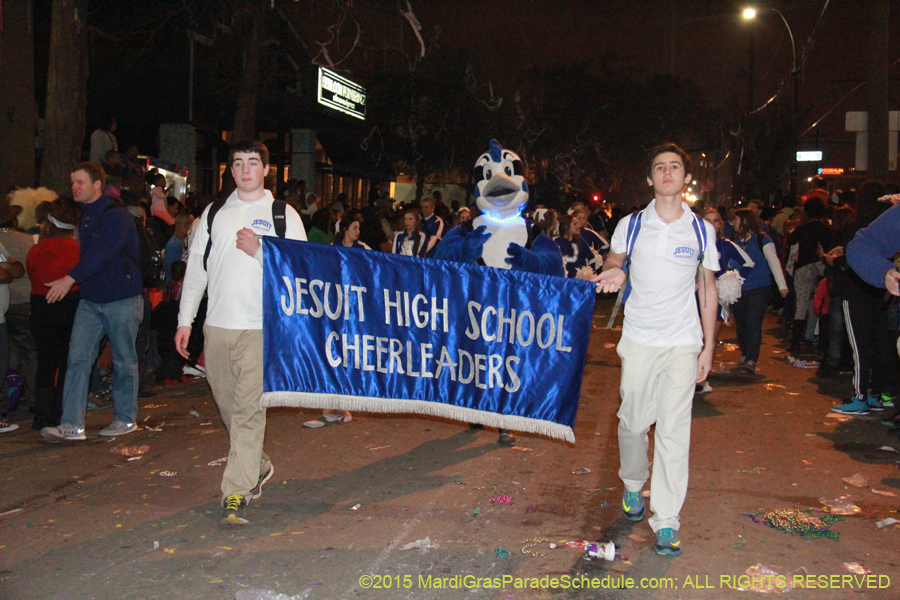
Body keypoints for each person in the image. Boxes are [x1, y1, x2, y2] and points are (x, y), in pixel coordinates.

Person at [592, 143, 718, 557]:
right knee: (632, 423)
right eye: (660, 167)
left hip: (682, 341)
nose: (667, 173)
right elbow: (615, 260)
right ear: (650, 178)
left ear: (686, 178)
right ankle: (633, 483)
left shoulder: (701, 230)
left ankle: (667, 520)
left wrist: (708, 347)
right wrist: (613, 271)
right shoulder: (631, 225)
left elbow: (707, 287)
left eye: (674, 167)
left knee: (673, 431)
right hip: (640, 339)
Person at [175, 140, 306, 524]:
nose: (245, 170)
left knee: (249, 412)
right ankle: (256, 463)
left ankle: (237, 491)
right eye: (238, 163)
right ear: (230, 171)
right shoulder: (214, 213)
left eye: (253, 162)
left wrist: (261, 251)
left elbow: (302, 272)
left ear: (266, 169)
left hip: (260, 328)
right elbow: (196, 272)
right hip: (217, 327)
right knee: (229, 408)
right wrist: (185, 321)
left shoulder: (282, 215)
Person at [40, 162, 144, 441]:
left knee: (123, 361)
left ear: (97, 185)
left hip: (122, 299)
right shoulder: (84, 216)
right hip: (91, 300)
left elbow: (101, 252)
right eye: (72, 182)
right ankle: (72, 424)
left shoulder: (116, 215)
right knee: (77, 359)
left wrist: (68, 280)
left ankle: (125, 418)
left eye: (80, 182)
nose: (74, 187)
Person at [831, 182, 898, 415]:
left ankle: (861, 396)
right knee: (882, 346)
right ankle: (875, 394)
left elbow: (851, 253)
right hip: (880, 294)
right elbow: (860, 249)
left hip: (861, 293)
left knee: (860, 348)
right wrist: (885, 273)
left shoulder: (856, 224)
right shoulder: (886, 221)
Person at [26, 201, 81, 429]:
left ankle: (42, 415)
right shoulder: (78, 250)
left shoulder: (36, 250)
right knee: (67, 361)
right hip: (71, 306)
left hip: (41, 307)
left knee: (46, 363)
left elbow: (32, 273)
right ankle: (60, 413)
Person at [697, 207, 755, 392]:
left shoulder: (725, 244)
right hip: (691, 296)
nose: (712, 224)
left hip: (714, 296)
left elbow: (748, 263)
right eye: (708, 220)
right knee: (693, 338)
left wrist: (731, 281)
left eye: (716, 221)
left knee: (710, 338)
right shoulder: (692, 242)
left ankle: (701, 379)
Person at [728, 208, 789, 374]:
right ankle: (745, 353)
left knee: (753, 322)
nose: (733, 223)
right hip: (739, 289)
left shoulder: (763, 240)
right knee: (741, 323)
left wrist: (782, 286)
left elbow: (774, 262)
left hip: (759, 288)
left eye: (736, 219)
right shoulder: (735, 242)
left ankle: (751, 359)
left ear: (744, 220)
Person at [786, 197, 833, 355]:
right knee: (820, 304)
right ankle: (816, 340)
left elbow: (791, 241)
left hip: (804, 267)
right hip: (823, 267)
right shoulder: (827, 229)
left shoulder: (802, 229)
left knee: (801, 305)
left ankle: (795, 343)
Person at [164, 212, 194, 285]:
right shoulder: (175, 245)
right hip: (175, 287)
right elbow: (172, 271)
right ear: (185, 226)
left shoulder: (180, 241)